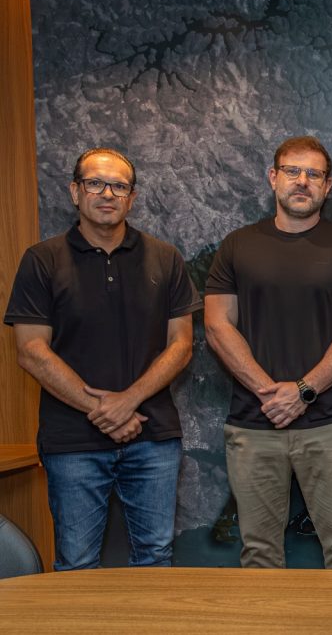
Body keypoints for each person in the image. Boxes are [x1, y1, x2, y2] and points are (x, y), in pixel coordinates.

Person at [4, 147, 201, 570]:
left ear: (132, 197)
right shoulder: (42, 259)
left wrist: (127, 401)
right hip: (72, 441)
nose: (107, 193)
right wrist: (105, 410)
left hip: (153, 436)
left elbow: (181, 344)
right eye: (95, 183)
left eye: (119, 186)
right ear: (75, 192)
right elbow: (31, 351)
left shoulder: (165, 257)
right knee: (76, 563)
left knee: (155, 557)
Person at [204, 136, 332, 569]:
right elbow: (217, 326)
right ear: (273, 177)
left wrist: (302, 391)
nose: (302, 181)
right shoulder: (237, 245)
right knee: (259, 554)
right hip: (254, 423)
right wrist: (269, 391)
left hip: (331, 425)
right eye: (293, 171)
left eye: (314, 174)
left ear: (327, 185)